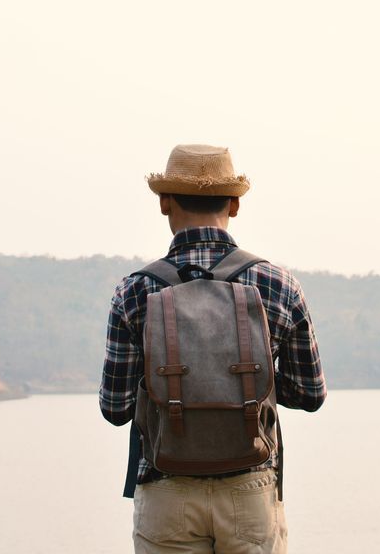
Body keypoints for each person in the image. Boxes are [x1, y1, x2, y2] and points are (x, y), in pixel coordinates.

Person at [100, 143, 326, 554]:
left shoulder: (134, 291)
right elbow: (309, 396)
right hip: (250, 489)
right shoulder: (277, 285)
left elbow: (114, 409)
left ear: (165, 203)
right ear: (235, 205)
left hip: (166, 491)